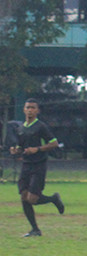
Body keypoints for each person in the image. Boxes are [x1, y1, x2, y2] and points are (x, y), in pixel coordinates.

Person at [8, 99, 65, 237]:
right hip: (26, 165)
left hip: (39, 164)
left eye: (33, 108)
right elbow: (21, 147)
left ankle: (53, 199)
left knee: (32, 199)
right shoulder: (20, 128)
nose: (30, 110)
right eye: (27, 107)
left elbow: (54, 143)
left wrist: (38, 149)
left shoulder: (41, 126)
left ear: (37, 110)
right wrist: (16, 150)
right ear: (24, 110)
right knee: (23, 196)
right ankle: (35, 229)